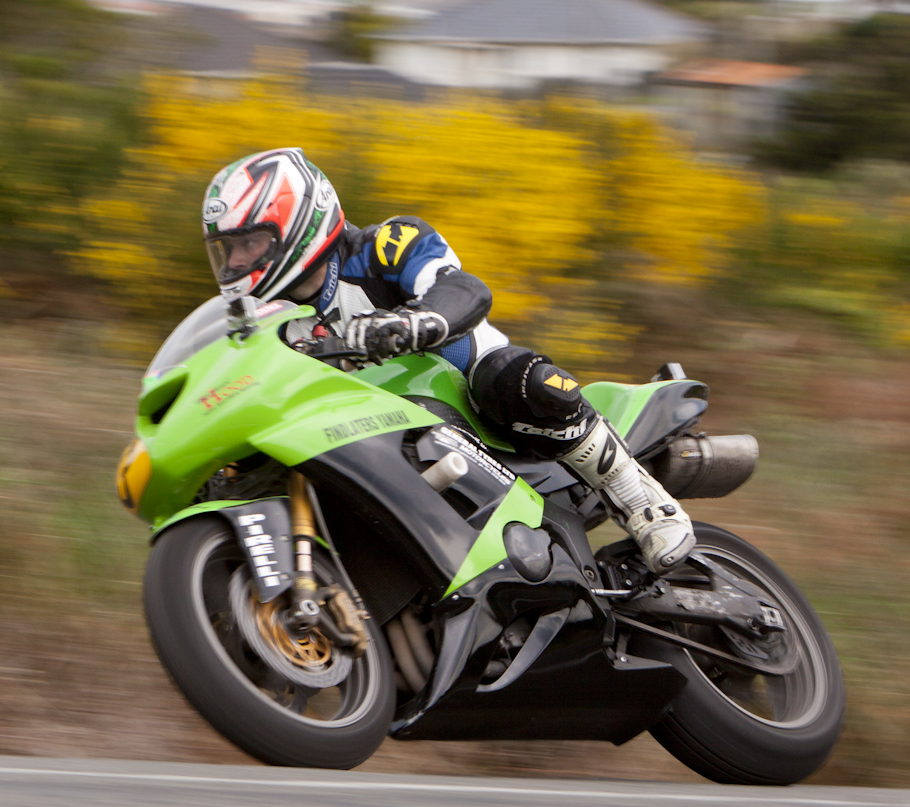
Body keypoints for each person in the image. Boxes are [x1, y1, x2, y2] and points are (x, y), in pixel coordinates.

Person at [202, 148, 694, 574]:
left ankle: (640, 498)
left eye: (251, 242)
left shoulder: (385, 245)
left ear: (299, 221)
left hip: (476, 412)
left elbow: (464, 288)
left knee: (512, 377)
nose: (239, 262)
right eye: (230, 250)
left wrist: (411, 323)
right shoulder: (265, 323)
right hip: (363, 438)